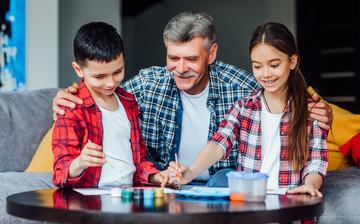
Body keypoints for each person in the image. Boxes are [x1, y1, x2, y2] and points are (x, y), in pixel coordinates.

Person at [52, 12, 333, 187]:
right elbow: (103, 89)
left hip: (223, 186)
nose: (181, 67)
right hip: (169, 184)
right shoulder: (147, 85)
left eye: (192, 59)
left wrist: (321, 108)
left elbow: (282, 87)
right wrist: (70, 93)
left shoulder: (241, 86)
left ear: (211, 55)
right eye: (173, 58)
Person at [167, 22, 328, 202]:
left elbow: (316, 161)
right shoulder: (244, 107)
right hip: (250, 209)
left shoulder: (311, 112)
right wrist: (190, 171)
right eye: (257, 66)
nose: (265, 74)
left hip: (291, 210)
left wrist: (310, 185)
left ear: (292, 62)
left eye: (274, 65)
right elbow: (219, 143)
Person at [52, 22, 169, 188]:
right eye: (99, 77)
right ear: (78, 69)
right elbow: (60, 174)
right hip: (91, 199)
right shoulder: (71, 107)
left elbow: (138, 160)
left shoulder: (128, 102)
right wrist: (79, 163)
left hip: (129, 196)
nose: (111, 83)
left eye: (118, 72)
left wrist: (155, 177)